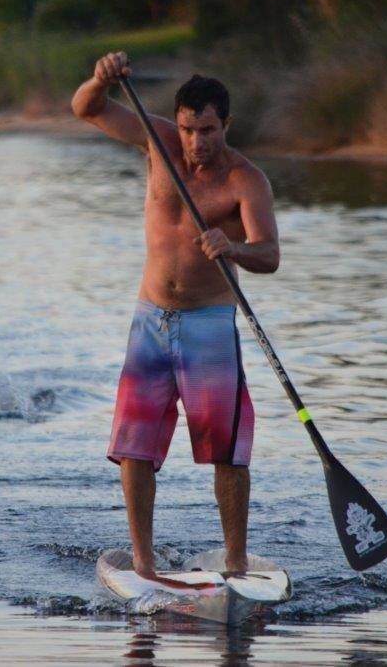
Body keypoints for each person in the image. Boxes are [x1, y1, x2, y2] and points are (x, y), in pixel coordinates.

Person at [72, 52, 280, 579]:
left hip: (209, 325)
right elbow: (86, 109)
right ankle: (143, 562)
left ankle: (235, 563)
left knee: (228, 453)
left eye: (207, 130)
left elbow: (269, 254)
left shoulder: (245, 180)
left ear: (226, 125)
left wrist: (232, 247)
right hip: (149, 321)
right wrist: (101, 78)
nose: (196, 142)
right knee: (135, 448)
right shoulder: (157, 140)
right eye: (188, 129)